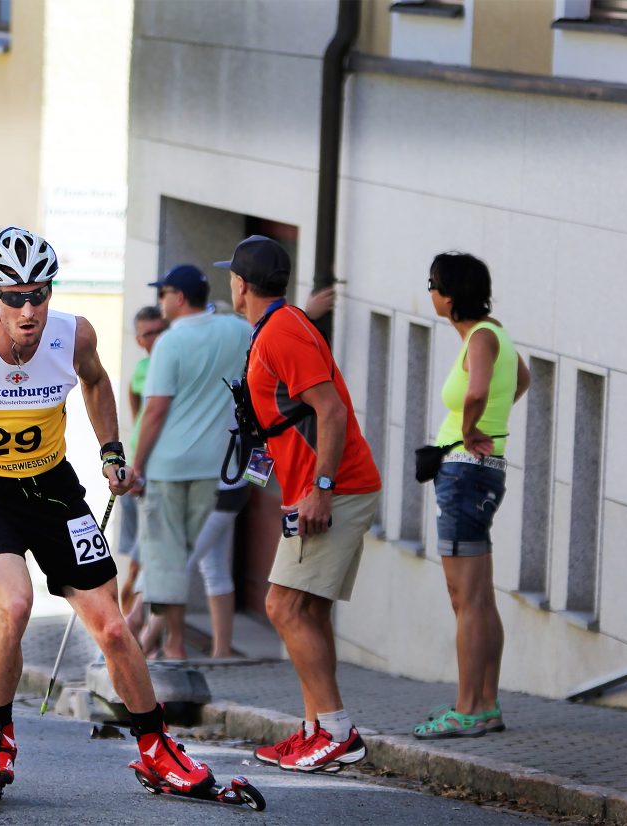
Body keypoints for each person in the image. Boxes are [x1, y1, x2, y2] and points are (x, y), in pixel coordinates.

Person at [0, 226, 217, 798]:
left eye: (39, 293)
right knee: (14, 603)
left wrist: (111, 451)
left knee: (111, 624)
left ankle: (157, 750)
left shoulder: (72, 334)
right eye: (14, 297)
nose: (29, 309)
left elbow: (98, 380)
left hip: (54, 488)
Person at [222, 234, 381, 773]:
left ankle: (336, 731)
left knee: (282, 607)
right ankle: (317, 728)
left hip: (335, 488)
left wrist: (322, 488)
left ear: (240, 284)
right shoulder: (278, 326)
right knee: (307, 609)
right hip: (320, 487)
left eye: (232, 278)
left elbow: (330, 411)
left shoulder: (282, 332)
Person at [412, 252, 528, 739]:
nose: (431, 292)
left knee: (464, 597)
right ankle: (485, 704)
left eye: (433, 284)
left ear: (450, 295)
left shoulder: (480, 338)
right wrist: (488, 428)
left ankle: (467, 709)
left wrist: (469, 429)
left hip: (464, 472)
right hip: (480, 470)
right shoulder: (493, 332)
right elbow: (523, 377)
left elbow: (477, 391)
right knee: (479, 596)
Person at [129, 264, 249, 660]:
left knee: (166, 561)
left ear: (178, 299)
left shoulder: (171, 343)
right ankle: (164, 646)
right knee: (186, 558)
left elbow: (156, 410)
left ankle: (173, 648)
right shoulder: (234, 330)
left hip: (168, 467)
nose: (160, 301)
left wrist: (137, 465)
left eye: (163, 294)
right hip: (212, 469)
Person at [117, 306, 165, 622]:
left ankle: (135, 615)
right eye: (148, 333)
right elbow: (136, 404)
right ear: (138, 339)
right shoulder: (143, 367)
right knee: (137, 550)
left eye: (160, 331)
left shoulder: (170, 363)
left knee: (148, 549)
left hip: (158, 470)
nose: (156, 338)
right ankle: (129, 612)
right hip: (138, 467)